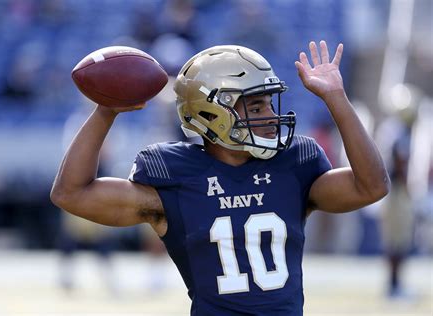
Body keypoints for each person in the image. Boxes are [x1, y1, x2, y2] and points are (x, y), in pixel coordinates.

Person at [51, 41, 390, 315]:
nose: (271, 117)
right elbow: (72, 195)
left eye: (270, 105)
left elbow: (371, 186)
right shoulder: (176, 176)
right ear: (211, 114)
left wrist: (336, 98)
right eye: (256, 108)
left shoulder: (293, 165)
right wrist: (106, 110)